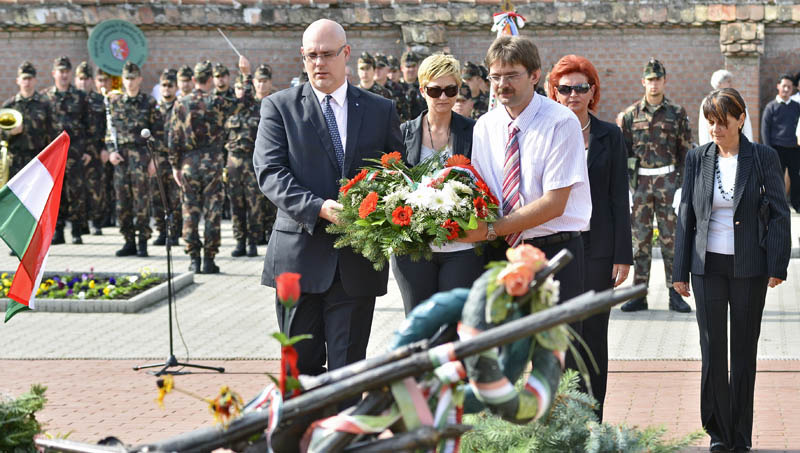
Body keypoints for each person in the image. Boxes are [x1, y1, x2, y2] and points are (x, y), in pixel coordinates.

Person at [253, 19, 403, 377]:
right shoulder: (279, 107)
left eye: (327, 54)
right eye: (311, 56)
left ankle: (345, 418)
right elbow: (270, 173)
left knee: (347, 374)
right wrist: (318, 207)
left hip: (356, 262)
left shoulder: (380, 110)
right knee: (300, 373)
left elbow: (396, 172)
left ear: (346, 53)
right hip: (298, 259)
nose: (319, 63)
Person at [673, 88, 790, 453]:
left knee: (742, 350)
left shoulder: (763, 157)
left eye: (723, 122)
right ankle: (718, 433)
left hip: (749, 267)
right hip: (706, 267)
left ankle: (741, 435)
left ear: (741, 120)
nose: (716, 129)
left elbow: (779, 212)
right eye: (710, 122)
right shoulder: (697, 157)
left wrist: (777, 264)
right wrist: (679, 271)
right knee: (712, 350)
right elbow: (686, 215)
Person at [461, 36, 591, 356]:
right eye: (495, 76)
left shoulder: (561, 122)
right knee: (503, 355)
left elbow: (554, 203)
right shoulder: (485, 126)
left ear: (535, 75)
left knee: (557, 359)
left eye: (511, 75)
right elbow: (482, 192)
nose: (501, 84)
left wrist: (491, 229)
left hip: (554, 253)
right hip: (500, 254)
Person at [549, 54, 632, 421]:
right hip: (555, 248)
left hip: (598, 249)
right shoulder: (546, 132)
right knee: (559, 335)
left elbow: (618, 197)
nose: (573, 95)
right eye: (565, 88)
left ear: (592, 91)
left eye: (581, 88)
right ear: (554, 91)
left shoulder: (609, 135)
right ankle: (561, 421)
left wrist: (623, 254)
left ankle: (592, 420)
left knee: (594, 335)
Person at [391, 54, 483, 315]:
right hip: (414, 248)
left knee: (454, 323)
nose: (443, 97)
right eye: (434, 90)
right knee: (419, 323)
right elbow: (392, 183)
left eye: (450, 90)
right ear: (422, 90)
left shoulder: (474, 131)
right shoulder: (404, 133)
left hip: (462, 246)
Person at [620, 58, 692, 313]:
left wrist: (683, 187)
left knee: (672, 241)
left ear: (664, 81)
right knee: (641, 242)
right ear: (643, 82)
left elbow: (686, 152)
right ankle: (639, 294)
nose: (654, 84)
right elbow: (623, 153)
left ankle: (675, 293)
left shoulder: (677, 113)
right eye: (650, 80)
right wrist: (626, 188)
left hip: (668, 183)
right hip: (640, 184)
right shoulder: (630, 115)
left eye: (658, 79)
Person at [169, 61, 232, 273]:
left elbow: (174, 137)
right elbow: (242, 107)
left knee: (189, 210)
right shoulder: (218, 102)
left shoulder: (181, 103)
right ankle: (209, 259)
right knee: (213, 211)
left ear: (194, 79)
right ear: (211, 79)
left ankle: (194, 259)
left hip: (189, 162)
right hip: (213, 161)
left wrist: (175, 165)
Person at [104, 62, 166, 258]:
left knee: (142, 202)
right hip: (122, 159)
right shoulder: (116, 103)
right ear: (122, 80)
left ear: (140, 79)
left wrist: (154, 159)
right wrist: (111, 152)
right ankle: (128, 241)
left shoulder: (149, 103)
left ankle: (142, 242)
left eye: (133, 78)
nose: (130, 82)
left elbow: (158, 133)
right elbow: (109, 132)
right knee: (122, 203)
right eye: (127, 78)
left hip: (141, 158)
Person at [41, 56, 90, 245]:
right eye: (60, 71)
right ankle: (58, 230)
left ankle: (77, 230)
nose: (63, 75)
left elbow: (89, 125)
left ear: (70, 74)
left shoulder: (80, 97)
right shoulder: (45, 97)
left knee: (76, 192)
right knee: (55, 192)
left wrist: (88, 150)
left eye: (67, 72)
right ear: (54, 73)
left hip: (75, 152)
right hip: (53, 154)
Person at [226, 73, 265, 258]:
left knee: (254, 204)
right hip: (233, 162)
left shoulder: (258, 108)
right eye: (238, 88)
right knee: (236, 203)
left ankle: (253, 242)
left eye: (244, 88)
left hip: (252, 162)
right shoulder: (229, 110)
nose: (242, 91)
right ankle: (239, 241)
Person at [1, 62, 55, 181]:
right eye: (24, 79)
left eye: (30, 79)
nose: (27, 82)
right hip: (15, 162)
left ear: (35, 80)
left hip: (38, 160)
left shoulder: (45, 104)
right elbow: (1, 134)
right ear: (18, 81)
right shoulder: (9, 105)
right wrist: (10, 133)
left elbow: (52, 132)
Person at [74, 61, 107, 237]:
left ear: (92, 80)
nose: (83, 82)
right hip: (76, 150)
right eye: (80, 78)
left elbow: (107, 126)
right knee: (77, 188)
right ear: (76, 80)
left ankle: (96, 221)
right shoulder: (72, 99)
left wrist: (105, 148)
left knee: (95, 187)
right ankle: (80, 224)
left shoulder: (99, 100)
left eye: (86, 78)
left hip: (95, 150)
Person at [761, 74, 800, 212]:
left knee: (796, 178)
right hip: (777, 149)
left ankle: (797, 204)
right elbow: (765, 130)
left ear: (792, 89)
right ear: (778, 86)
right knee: (776, 179)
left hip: (794, 149)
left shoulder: (797, 107)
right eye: (784, 86)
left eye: (789, 87)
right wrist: (768, 150)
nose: (786, 89)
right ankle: (776, 205)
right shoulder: (771, 107)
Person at [152, 68, 182, 246]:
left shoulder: (180, 107)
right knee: (158, 197)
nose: (166, 88)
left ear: (175, 87)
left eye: (170, 85)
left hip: (175, 159)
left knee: (175, 198)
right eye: (163, 85)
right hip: (158, 159)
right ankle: (162, 232)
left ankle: (175, 232)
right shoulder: (155, 109)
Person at [698, 70, 753, 145]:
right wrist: (704, 147)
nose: (731, 84)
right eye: (728, 81)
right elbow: (703, 128)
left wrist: (749, 144)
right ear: (719, 83)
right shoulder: (707, 102)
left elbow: (746, 125)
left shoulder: (737, 100)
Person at [375, 53, 407, 122]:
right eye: (375, 67)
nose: (377, 71)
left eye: (380, 68)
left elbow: (404, 115)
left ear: (387, 69)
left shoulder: (397, 89)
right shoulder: (366, 89)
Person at [400, 50, 426, 121]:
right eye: (408, 66)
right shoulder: (396, 88)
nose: (411, 69)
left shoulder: (424, 87)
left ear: (418, 67)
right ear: (402, 68)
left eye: (413, 66)